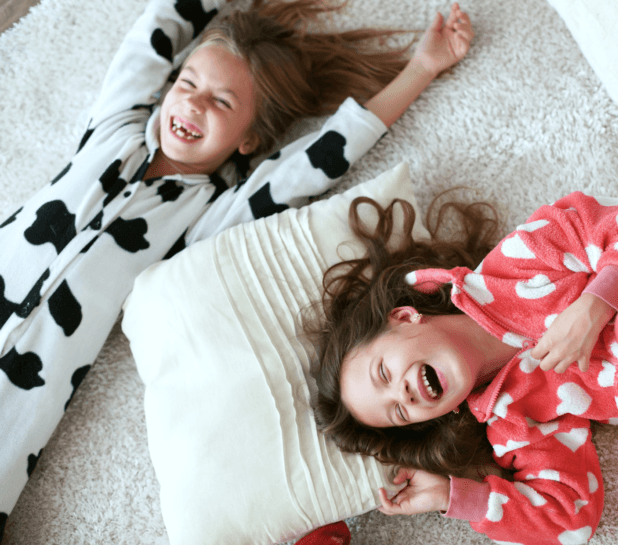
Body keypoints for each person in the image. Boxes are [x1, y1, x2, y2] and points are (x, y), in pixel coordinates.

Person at [0, 0, 475, 528]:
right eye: (188, 84)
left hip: (22, 390)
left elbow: (318, 160)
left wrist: (421, 68)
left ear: (248, 140)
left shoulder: (203, 221)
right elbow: (155, 30)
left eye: (221, 102)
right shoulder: (113, 128)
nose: (194, 103)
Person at [308, 191, 618, 544]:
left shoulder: (517, 261)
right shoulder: (512, 421)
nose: (401, 396)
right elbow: (569, 519)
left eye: (384, 374)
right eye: (399, 413)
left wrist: (594, 305)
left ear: (405, 318)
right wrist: (454, 497)